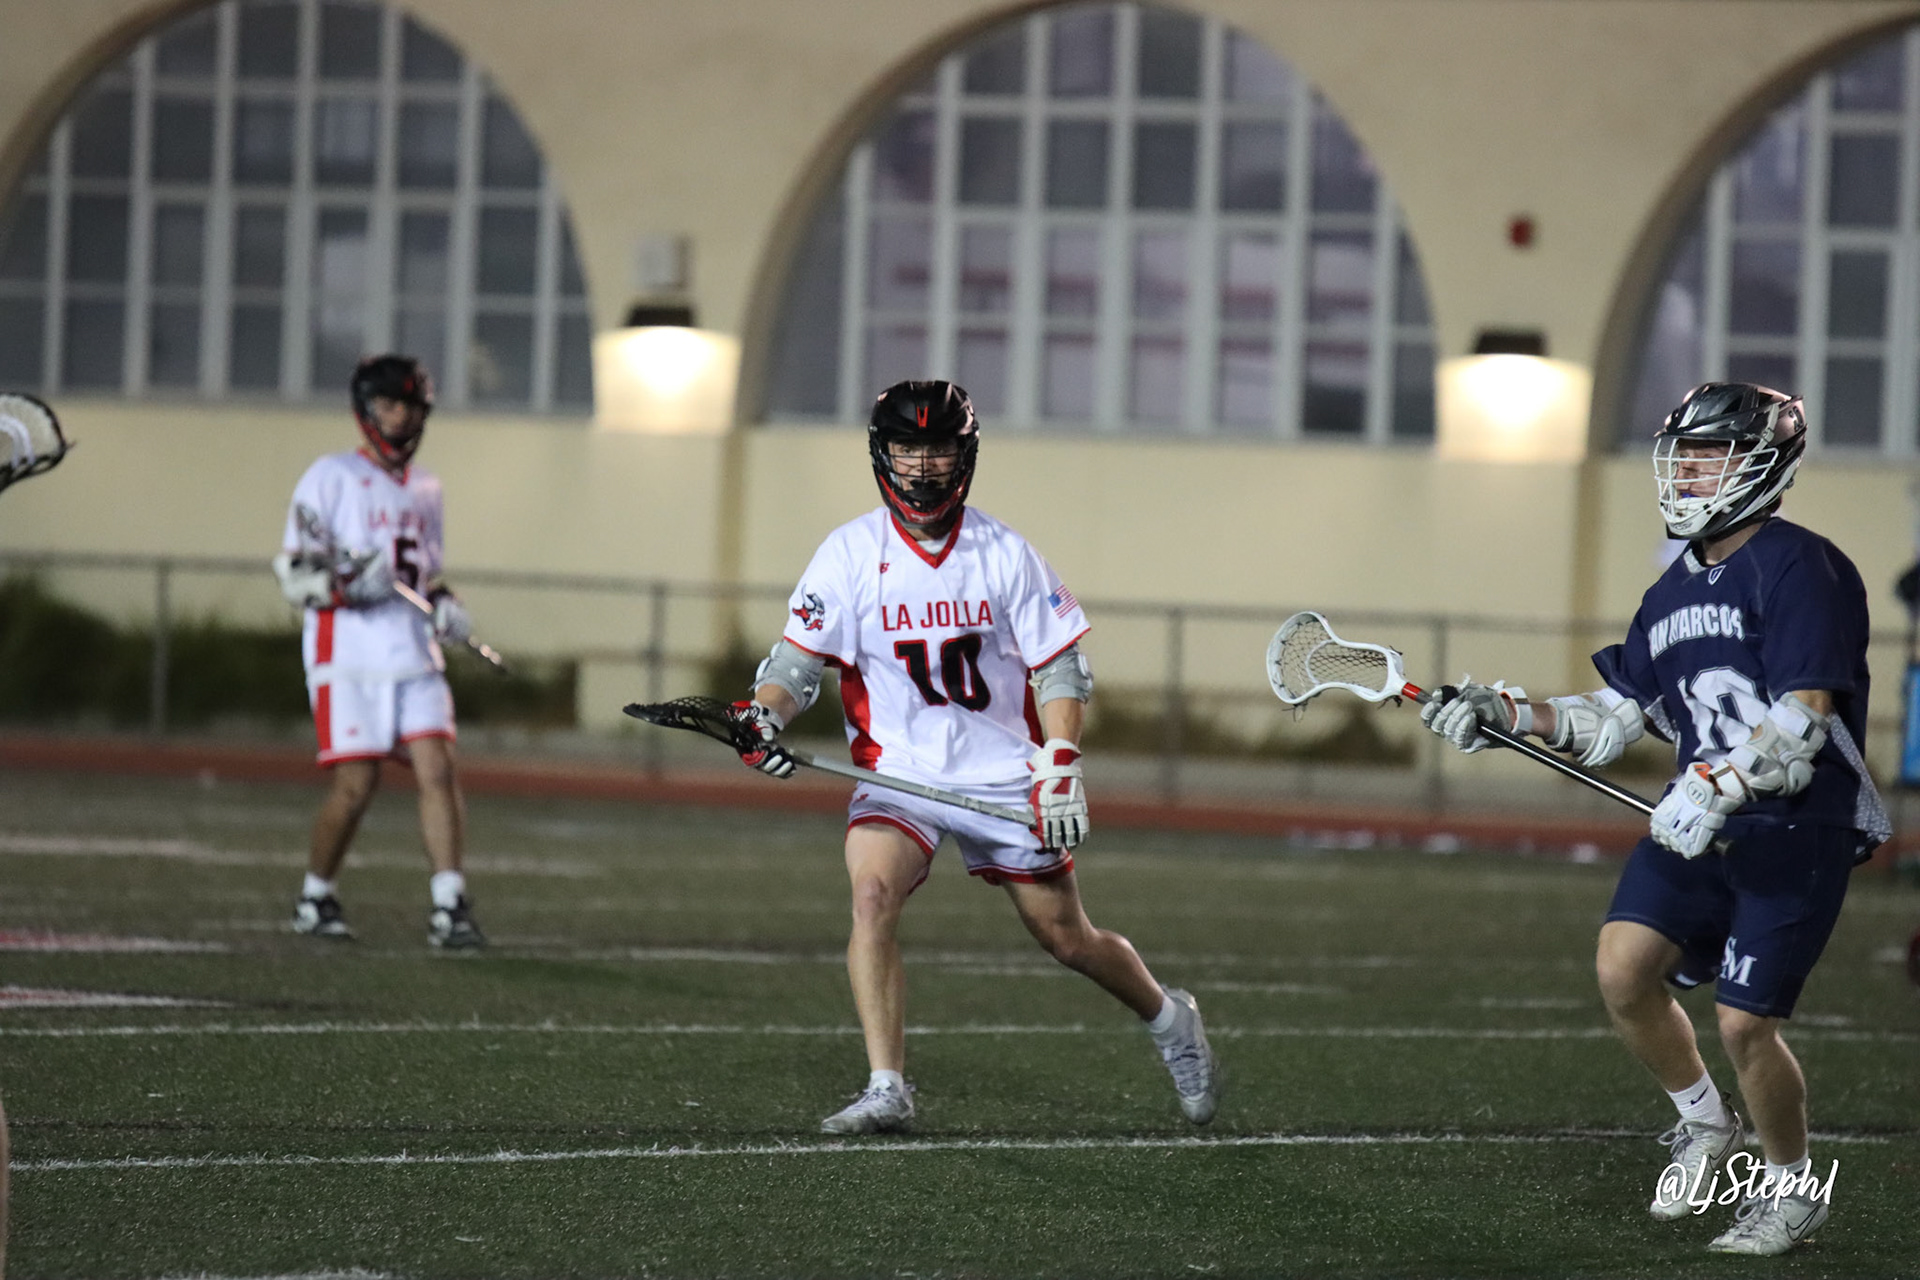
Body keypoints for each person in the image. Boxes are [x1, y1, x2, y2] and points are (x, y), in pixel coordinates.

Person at [1420, 382, 1887, 1257]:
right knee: (1623, 969)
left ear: (1763, 466)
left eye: (1710, 457)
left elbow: (1804, 720)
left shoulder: (1803, 565)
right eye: (1684, 456)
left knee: (1745, 1023)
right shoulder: (1670, 591)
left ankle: (1792, 1191)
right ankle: (1706, 1122)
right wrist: (1507, 715)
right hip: (1697, 818)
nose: (1688, 474)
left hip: (1795, 823)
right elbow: (1613, 715)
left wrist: (1718, 785)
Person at [728, 379, 1217, 1134]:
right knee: (871, 895)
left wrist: (1061, 760)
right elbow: (796, 666)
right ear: (882, 454)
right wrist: (765, 715)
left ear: (965, 455)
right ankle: (887, 1086)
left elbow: (1060, 668)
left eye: (937, 448)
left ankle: (1168, 1017)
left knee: (1067, 938)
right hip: (897, 772)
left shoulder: (1004, 553)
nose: (922, 465)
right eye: (907, 448)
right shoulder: (850, 553)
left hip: (1001, 774)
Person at [271, 355, 485, 949]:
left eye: (410, 407)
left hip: (413, 649)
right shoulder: (330, 476)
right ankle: (315, 895)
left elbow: (425, 575)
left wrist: (445, 604)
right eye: (390, 405)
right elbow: (295, 574)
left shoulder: (426, 487)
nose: (401, 418)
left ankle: (450, 903)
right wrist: (346, 587)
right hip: (348, 652)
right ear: (367, 410)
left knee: (438, 769)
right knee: (356, 786)